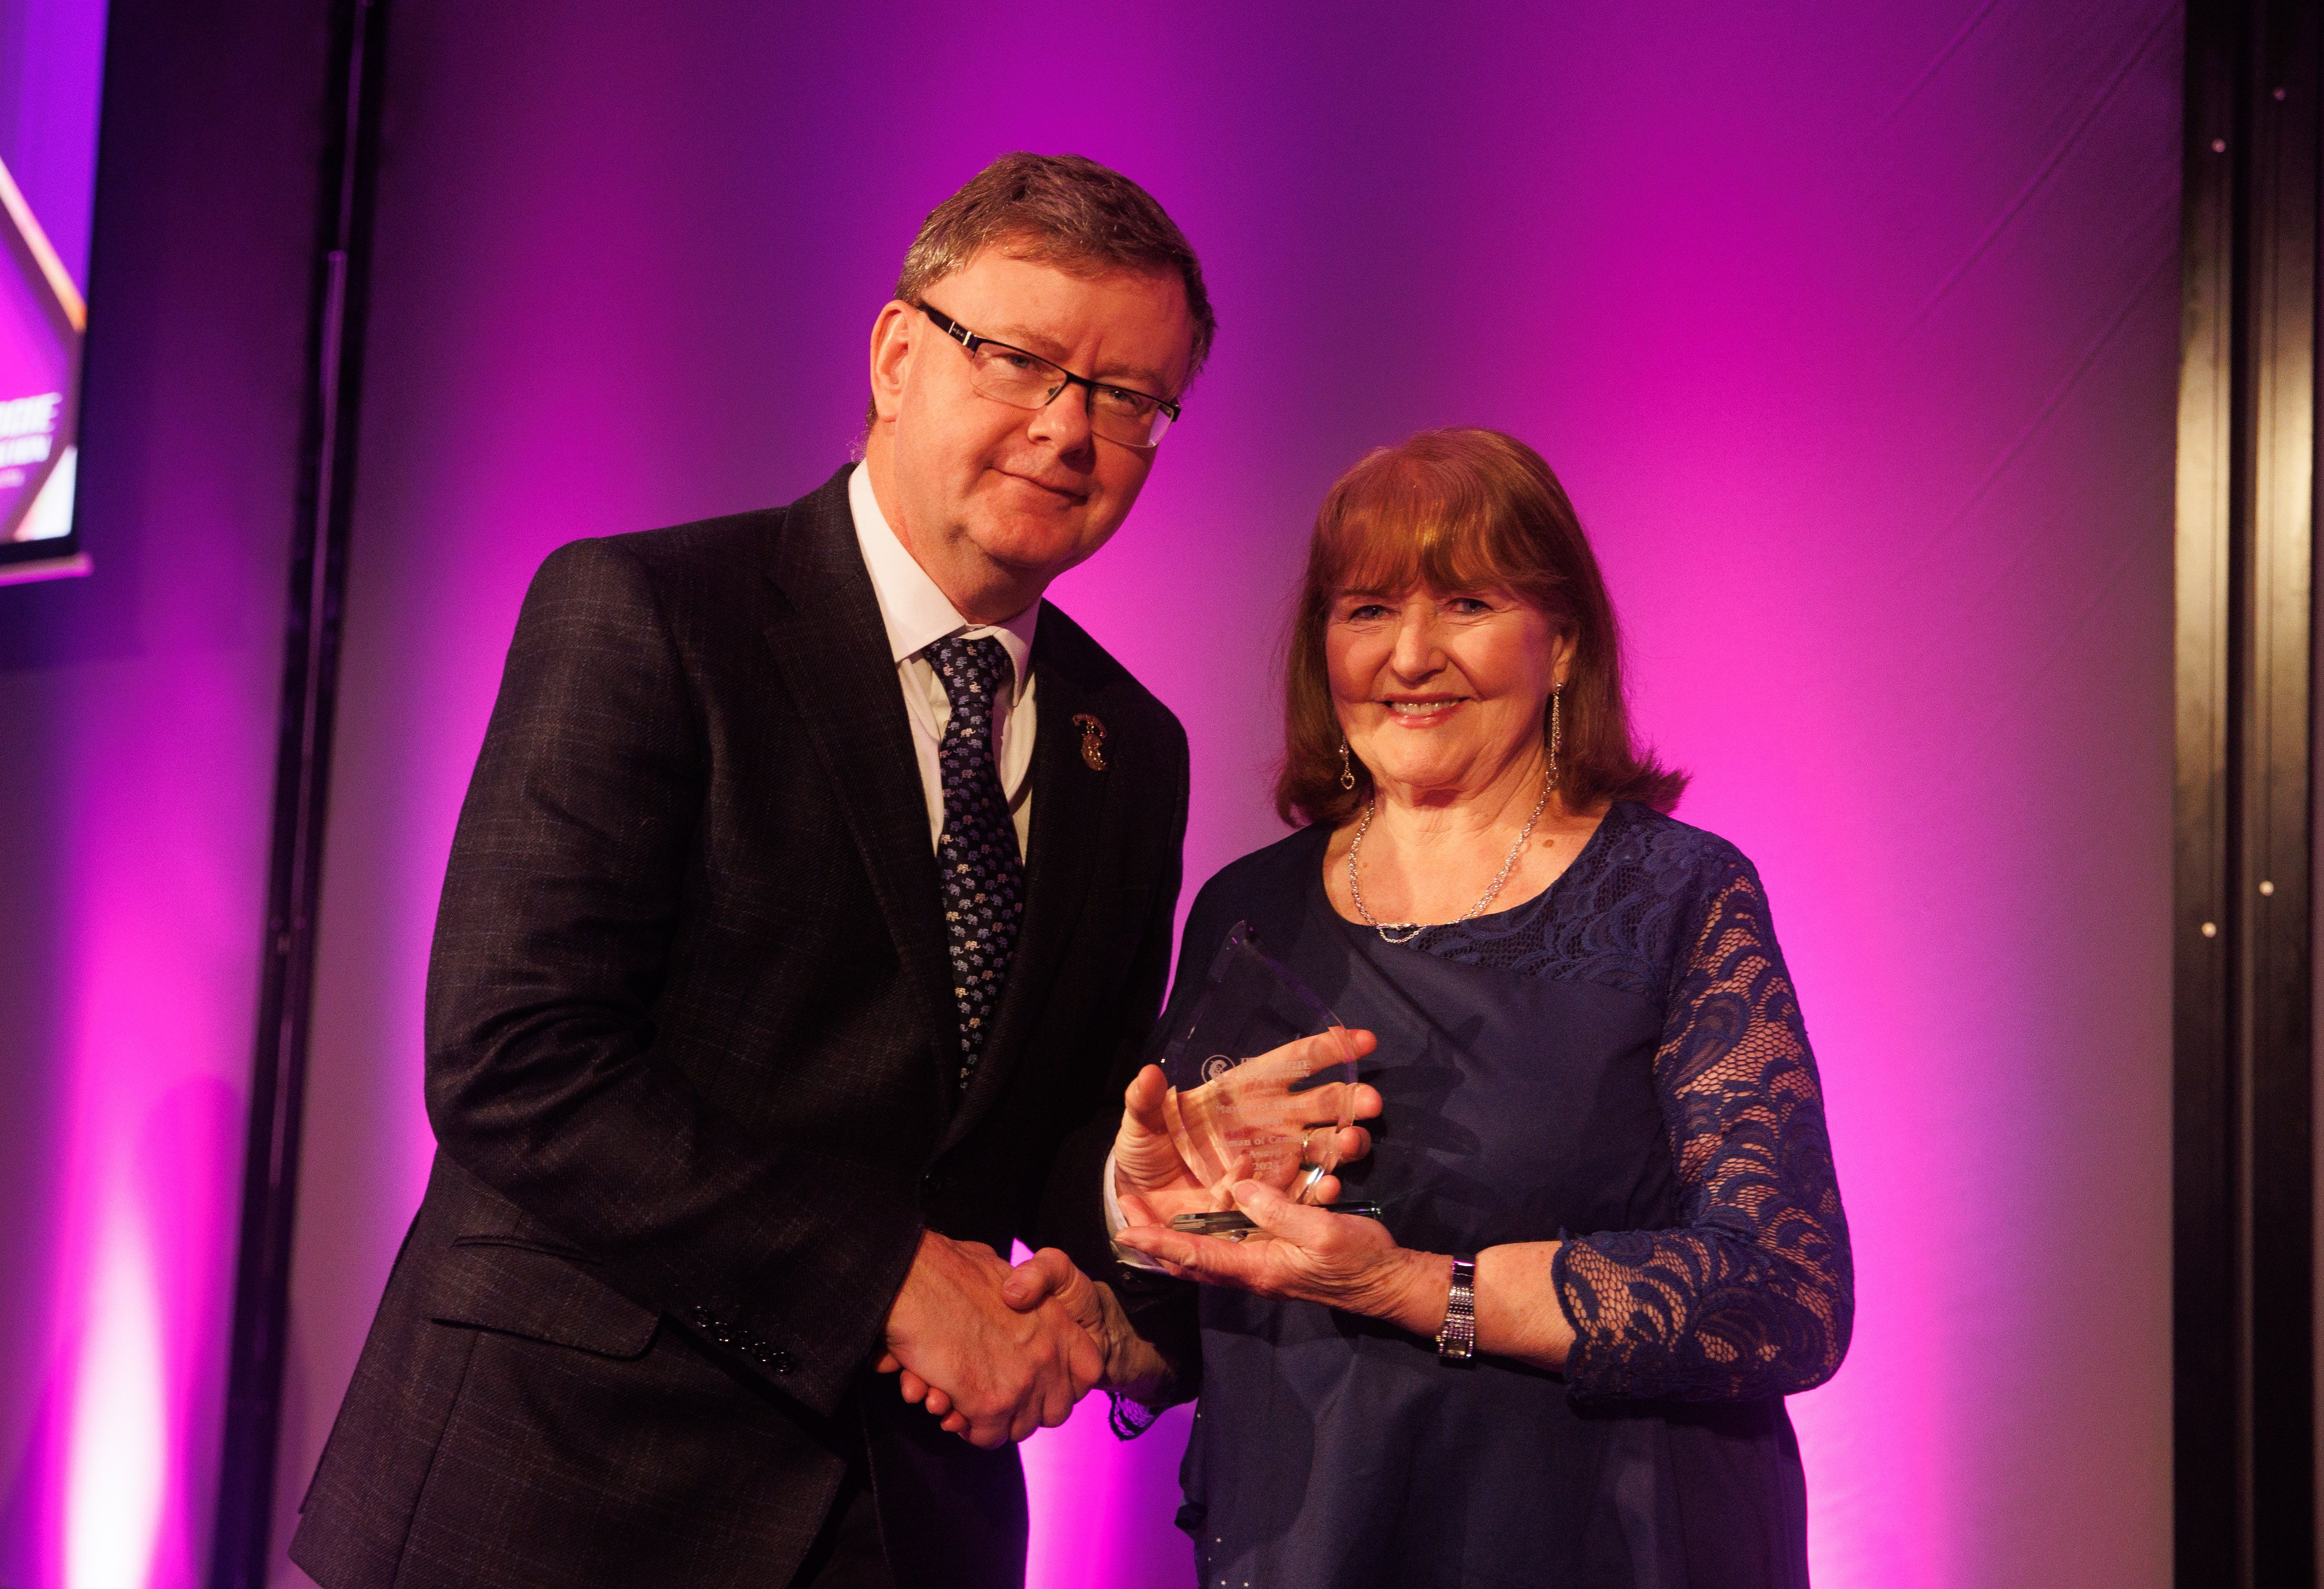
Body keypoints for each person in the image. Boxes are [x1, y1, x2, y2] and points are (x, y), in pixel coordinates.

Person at [290, 152, 1220, 1589]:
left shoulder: (1132, 746)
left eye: (1129, 398)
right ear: (898, 355)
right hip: (560, 1493)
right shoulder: (648, 612)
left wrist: (1160, 1231)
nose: (1067, 429)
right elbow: (515, 1059)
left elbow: (1047, 1132)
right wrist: (889, 1281)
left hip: (900, 1524)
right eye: (1023, 360)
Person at [1023, 427, 1854, 1587]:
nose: (1408, 655)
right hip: (1310, 1542)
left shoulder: (1680, 893)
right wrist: (1109, 1325)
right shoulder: (1244, 908)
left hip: (1608, 1542)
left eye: (1464, 602)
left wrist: (1418, 1289)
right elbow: (1236, 1285)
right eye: (1364, 610)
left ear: (1560, 642)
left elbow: (1787, 1293)